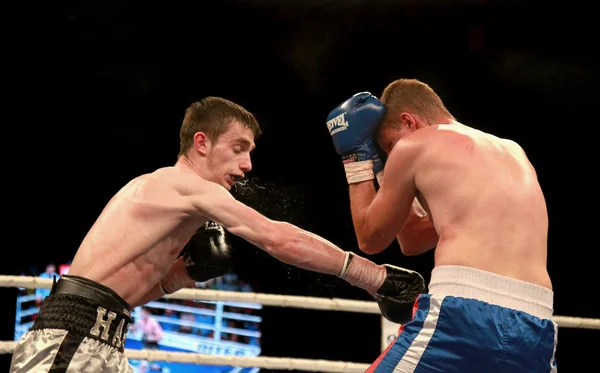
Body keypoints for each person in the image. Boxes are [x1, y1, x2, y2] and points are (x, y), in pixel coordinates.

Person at [10, 96, 425, 373]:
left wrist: (181, 276)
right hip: (72, 340)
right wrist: (372, 276)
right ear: (201, 143)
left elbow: (120, 291)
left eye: (250, 153)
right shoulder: (183, 185)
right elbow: (276, 237)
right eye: (238, 148)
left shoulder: (175, 200)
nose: (247, 166)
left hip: (99, 336)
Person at [325, 79, 557, 372]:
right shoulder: (513, 151)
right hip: (536, 325)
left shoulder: (413, 144)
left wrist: (357, 158)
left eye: (388, 146)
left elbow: (370, 237)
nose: (390, 154)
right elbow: (412, 240)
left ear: (408, 121)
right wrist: (387, 174)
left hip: (465, 314)